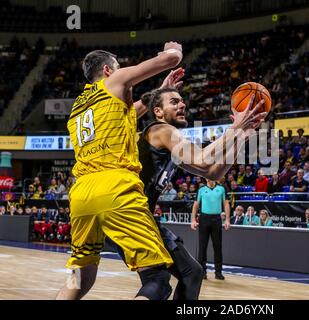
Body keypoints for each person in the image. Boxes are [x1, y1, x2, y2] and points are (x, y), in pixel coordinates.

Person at [57, 43, 185, 300]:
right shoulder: (114, 80)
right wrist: (173, 51)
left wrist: (160, 90)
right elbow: (170, 59)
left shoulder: (79, 107)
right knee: (157, 278)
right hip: (115, 188)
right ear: (107, 70)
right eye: (116, 67)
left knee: (80, 275)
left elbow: (132, 111)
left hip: (81, 195)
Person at [139, 81, 266, 295]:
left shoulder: (169, 145)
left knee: (192, 273)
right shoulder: (160, 130)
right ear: (158, 111)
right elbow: (203, 159)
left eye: (182, 101)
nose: (182, 105)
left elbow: (213, 173)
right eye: (174, 101)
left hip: (144, 218)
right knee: (160, 283)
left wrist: (241, 137)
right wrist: (234, 128)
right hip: (129, 216)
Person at [192, 179, 230, 280]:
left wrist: (227, 219)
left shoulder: (221, 188)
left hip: (216, 219)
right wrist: (193, 220)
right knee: (202, 247)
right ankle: (202, 272)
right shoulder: (201, 189)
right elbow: (196, 205)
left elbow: (226, 204)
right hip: (204, 218)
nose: (209, 178)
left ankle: (218, 272)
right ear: (205, 178)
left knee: (217, 246)